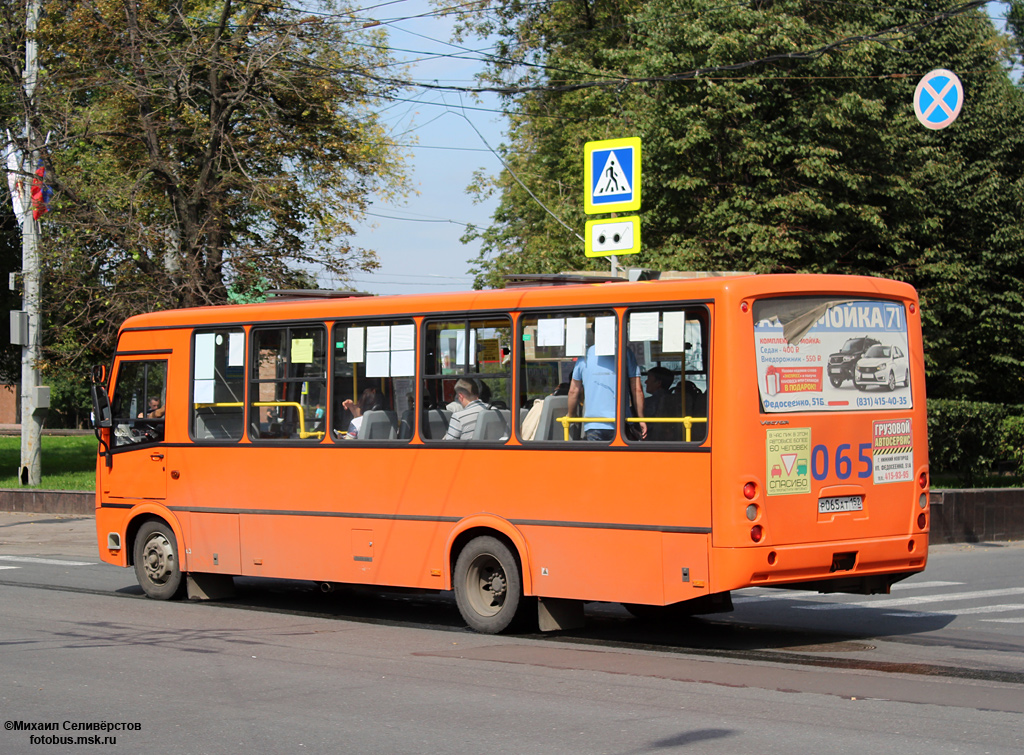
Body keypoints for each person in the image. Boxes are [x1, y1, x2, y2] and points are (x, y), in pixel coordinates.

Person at [567, 346, 646, 441]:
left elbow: (573, 391)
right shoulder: (624, 352)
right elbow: (636, 389)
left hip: (593, 424)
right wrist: (641, 419)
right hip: (620, 423)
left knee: (597, 456)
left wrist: (571, 415)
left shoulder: (585, 356)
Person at [644, 367, 679, 441]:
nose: (645, 382)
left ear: (658, 383)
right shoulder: (672, 399)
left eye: (649, 379)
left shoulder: (651, 402)